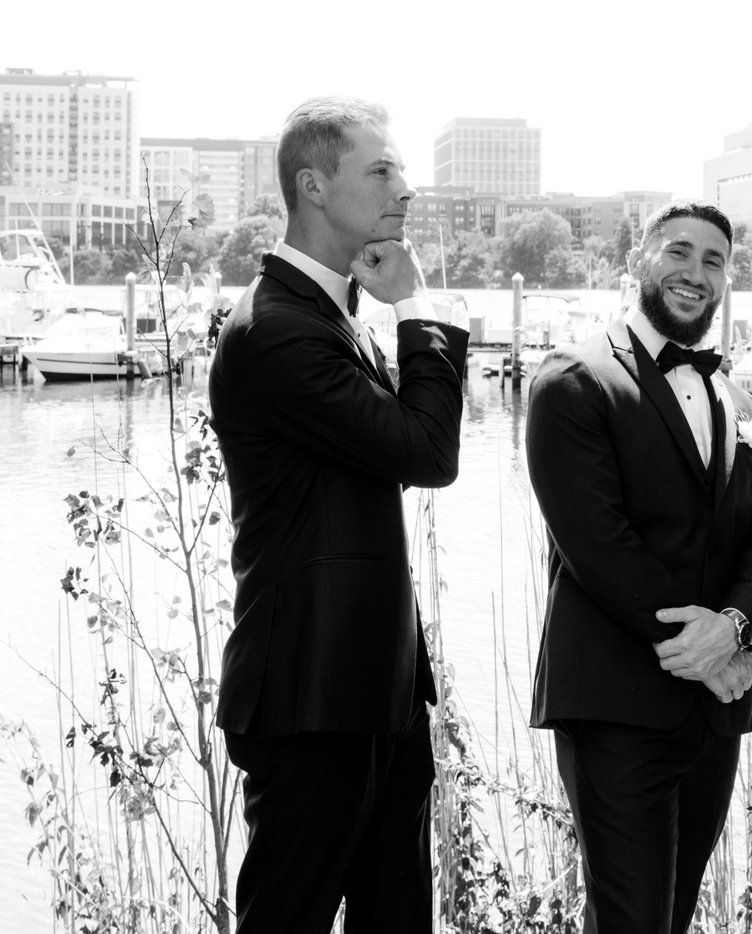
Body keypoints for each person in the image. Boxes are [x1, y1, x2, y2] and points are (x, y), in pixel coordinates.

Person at [208, 97, 470, 934]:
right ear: (314, 186)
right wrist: (417, 308)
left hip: (375, 691)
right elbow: (427, 453)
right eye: (383, 170)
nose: (406, 189)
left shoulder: (329, 316)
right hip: (309, 697)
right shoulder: (276, 329)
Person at [525, 200, 752, 934]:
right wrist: (705, 652)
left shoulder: (735, 396)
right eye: (678, 252)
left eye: (714, 260)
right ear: (638, 263)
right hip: (616, 704)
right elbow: (600, 547)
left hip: (713, 714)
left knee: (670, 917)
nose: (696, 272)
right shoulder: (573, 380)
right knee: (630, 920)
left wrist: (737, 626)